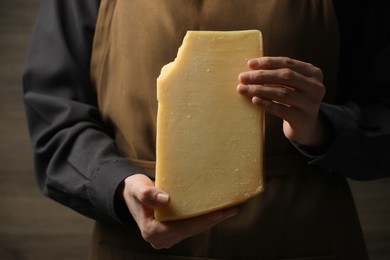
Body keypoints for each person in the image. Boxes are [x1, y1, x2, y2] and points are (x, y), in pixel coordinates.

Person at [22, 0, 390, 259]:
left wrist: (321, 127)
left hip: (305, 235)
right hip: (136, 246)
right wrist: (116, 185)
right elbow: (56, 120)